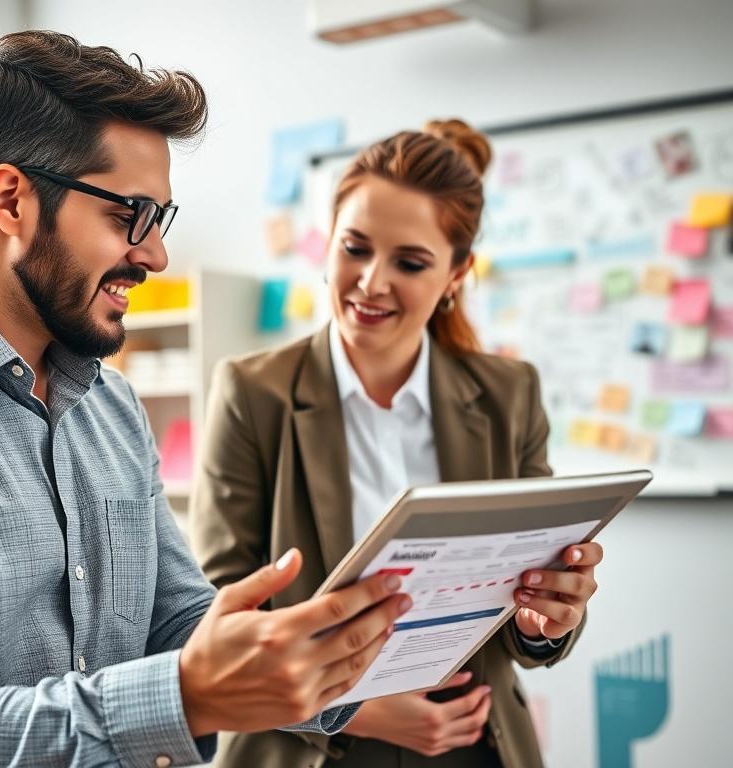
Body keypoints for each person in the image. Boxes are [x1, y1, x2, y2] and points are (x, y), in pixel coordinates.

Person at [0, 31, 414, 768]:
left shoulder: (109, 405)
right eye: (129, 214)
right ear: (10, 201)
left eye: (161, 219)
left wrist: (377, 644)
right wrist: (185, 697)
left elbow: (175, 622)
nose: (155, 254)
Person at [190, 120, 603, 768]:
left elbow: (529, 615)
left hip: (475, 741)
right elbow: (219, 615)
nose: (371, 282)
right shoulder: (253, 394)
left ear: (456, 273)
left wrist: (545, 620)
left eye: (409, 263)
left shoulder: (508, 394)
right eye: (354, 248)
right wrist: (355, 708)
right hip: (310, 749)